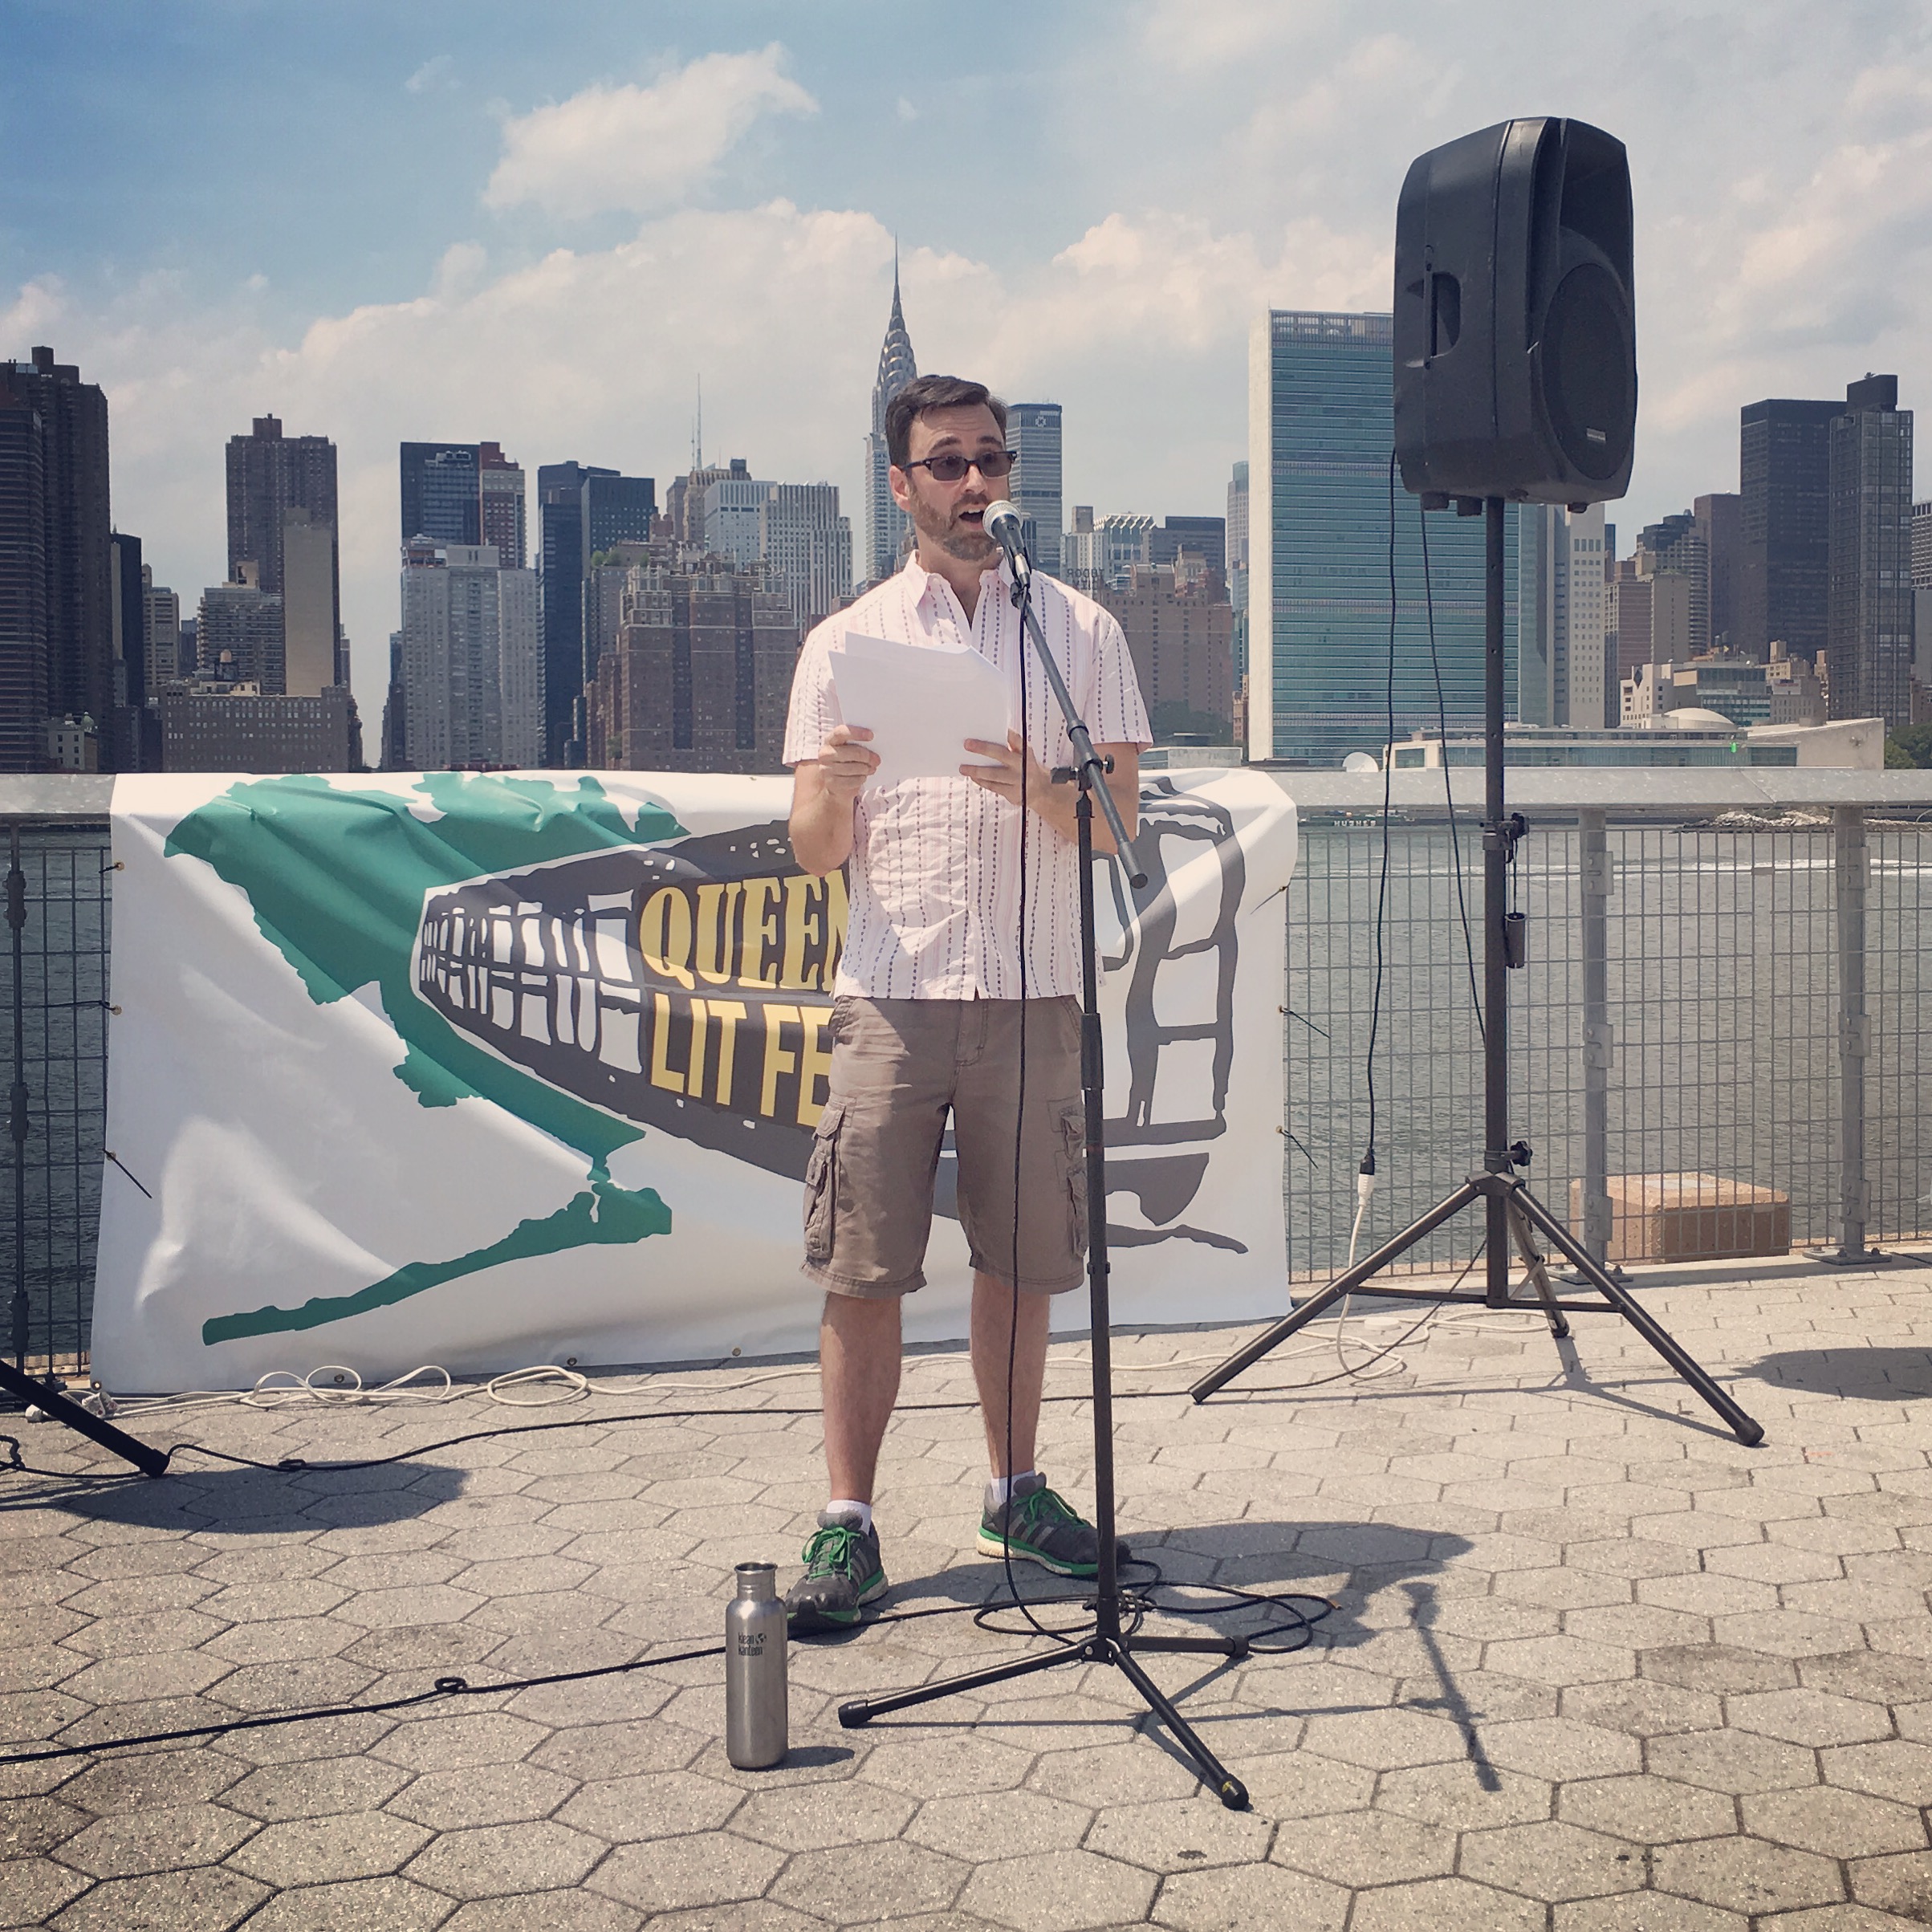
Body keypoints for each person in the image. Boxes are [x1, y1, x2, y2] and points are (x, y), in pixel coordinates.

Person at [780, 372, 1151, 1632]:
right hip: (894, 992)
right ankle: (850, 1524)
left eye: (990, 460)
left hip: (1036, 988)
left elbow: (1119, 824)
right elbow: (816, 850)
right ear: (900, 485)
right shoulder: (844, 643)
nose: (976, 483)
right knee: (867, 1265)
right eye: (947, 464)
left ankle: (1012, 1489)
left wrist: (1035, 793)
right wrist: (832, 785)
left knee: (1023, 1261)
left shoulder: (1081, 633)